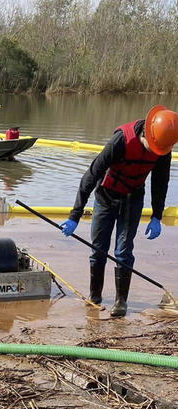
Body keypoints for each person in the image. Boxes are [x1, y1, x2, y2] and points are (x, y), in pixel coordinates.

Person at [60, 105, 178, 317]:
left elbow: (160, 183)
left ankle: (120, 303)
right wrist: (74, 216)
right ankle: (94, 297)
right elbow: (91, 175)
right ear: (146, 134)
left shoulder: (163, 148)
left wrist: (157, 216)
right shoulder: (121, 141)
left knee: (124, 251)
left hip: (133, 199)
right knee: (98, 250)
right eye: (152, 146)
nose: (154, 152)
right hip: (106, 197)